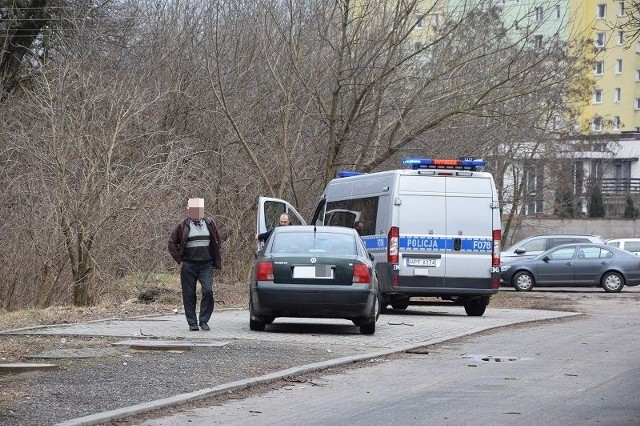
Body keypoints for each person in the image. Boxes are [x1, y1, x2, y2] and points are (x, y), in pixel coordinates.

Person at [168, 198, 222, 331]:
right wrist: (180, 259)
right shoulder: (182, 225)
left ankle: (204, 320)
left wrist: (215, 255)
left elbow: (217, 240)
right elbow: (171, 243)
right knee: (189, 294)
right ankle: (192, 323)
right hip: (189, 264)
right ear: (188, 211)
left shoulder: (210, 223)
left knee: (208, 291)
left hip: (206, 264)